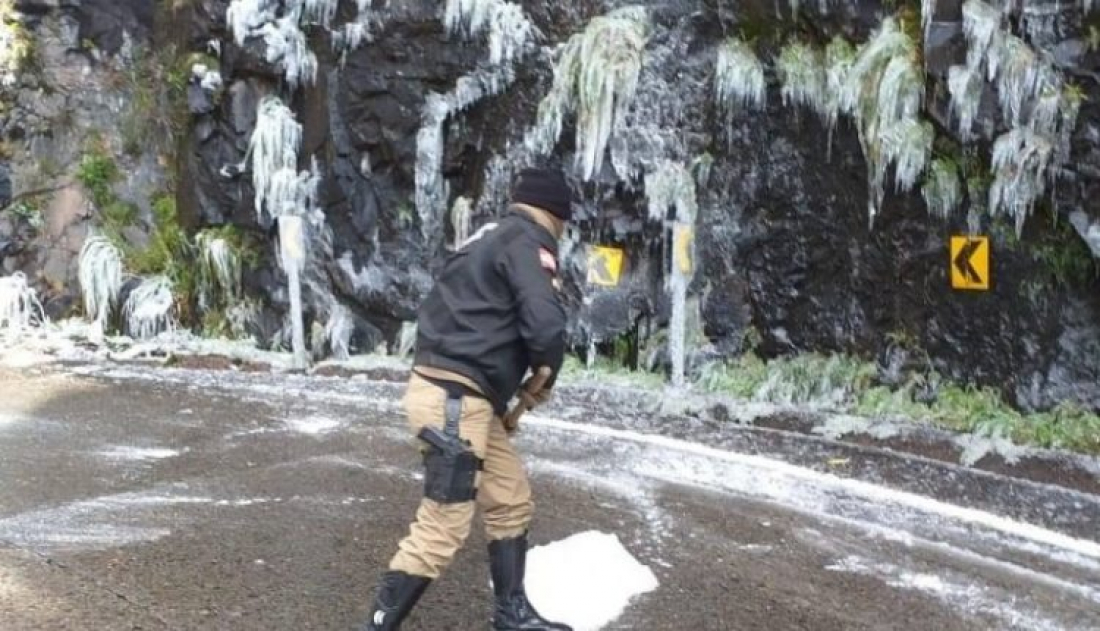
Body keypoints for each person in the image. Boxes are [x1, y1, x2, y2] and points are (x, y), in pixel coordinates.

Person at [359, 168, 575, 631]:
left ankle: (511, 615)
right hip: (455, 401)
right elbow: (546, 326)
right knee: (444, 523)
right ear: (557, 215)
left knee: (510, 498)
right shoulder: (529, 240)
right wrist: (544, 376)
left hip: (462, 396)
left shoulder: (487, 237)